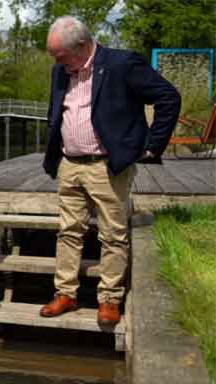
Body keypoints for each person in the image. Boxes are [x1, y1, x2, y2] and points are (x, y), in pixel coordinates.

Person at [41, 16, 181, 324]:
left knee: (113, 234)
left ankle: (109, 299)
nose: (58, 63)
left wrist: (152, 145)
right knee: (68, 231)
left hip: (106, 166)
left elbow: (168, 97)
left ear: (82, 45)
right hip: (69, 163)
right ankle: (65, 293)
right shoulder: (59, 70)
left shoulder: (121, 64)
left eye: (61, 56)